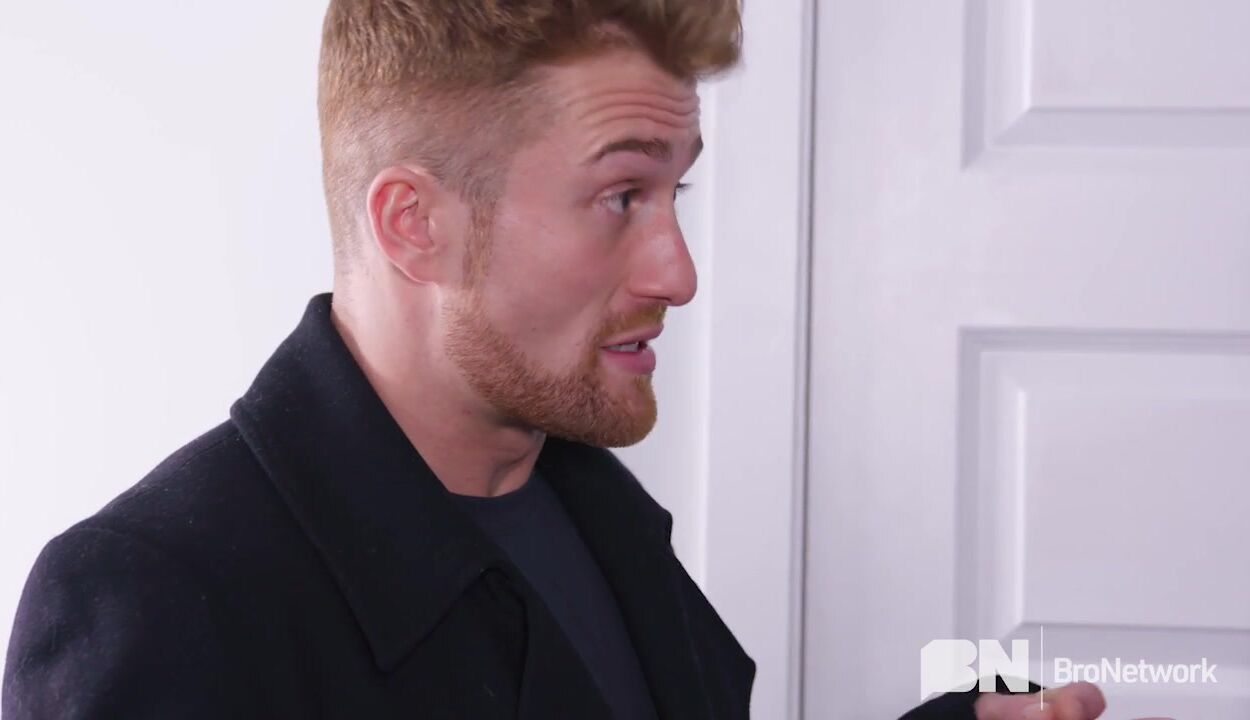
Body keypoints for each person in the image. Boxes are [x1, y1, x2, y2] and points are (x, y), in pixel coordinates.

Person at [3, 1, 1109, 717]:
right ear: (414, 226)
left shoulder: (579, 497)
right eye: (621, 195)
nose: (678, 271)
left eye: (676, 190)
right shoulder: (154, 600)